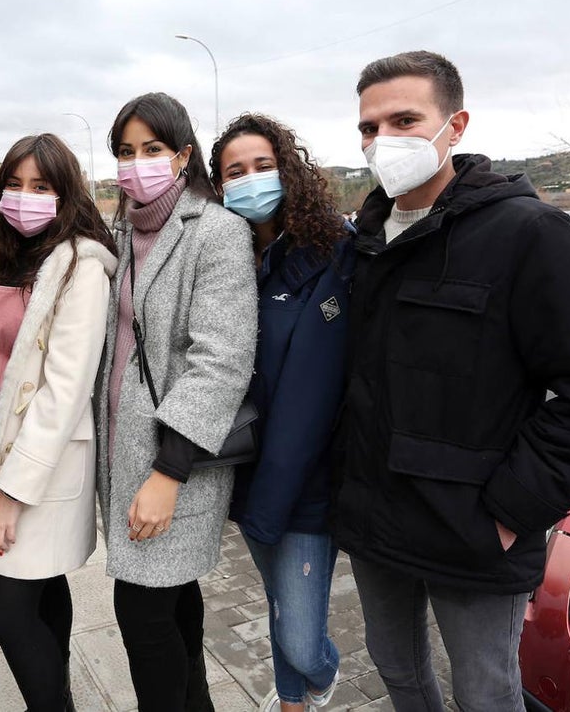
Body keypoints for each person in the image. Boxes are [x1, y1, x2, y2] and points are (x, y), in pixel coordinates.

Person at [334, 50, 570, 712]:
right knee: (396, 668)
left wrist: (510, 511)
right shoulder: (364, 240)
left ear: (457, 125)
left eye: (404, 118)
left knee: (486, 693)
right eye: (368, 126)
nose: (382, 139)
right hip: (375, 524)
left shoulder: (527, 234)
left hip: (473, 533)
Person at [0, 133, 117, 711]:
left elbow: (63, 392)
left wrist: (10, 495)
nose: (25, 198)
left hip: (38, 464)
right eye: (14, 185)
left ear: (65, 194)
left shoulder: (80, 267)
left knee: (6, 611)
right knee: (42, 589)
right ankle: (56, 693)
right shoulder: (2, 255)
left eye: (40, 187)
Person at [95, 92, 257, 710]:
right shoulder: (120, 228)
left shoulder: (214, 231)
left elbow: (221, 360)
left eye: (153, 150)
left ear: (184, 155)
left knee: (142, 615)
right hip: (121, 454)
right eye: (126, 152)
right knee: (176, 608)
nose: (138, 164)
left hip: (172, 462)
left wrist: (168, 471)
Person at [210, 113, 352, 712]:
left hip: (309, 478)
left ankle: (318, 678)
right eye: (234, 172)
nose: (250, 181)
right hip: (245, 466)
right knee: (276, 602)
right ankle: (292, 700)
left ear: (289, 170)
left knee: (301, 634)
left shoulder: (332, 253)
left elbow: (322, 380)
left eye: (262, 166)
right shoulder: (223, 257)